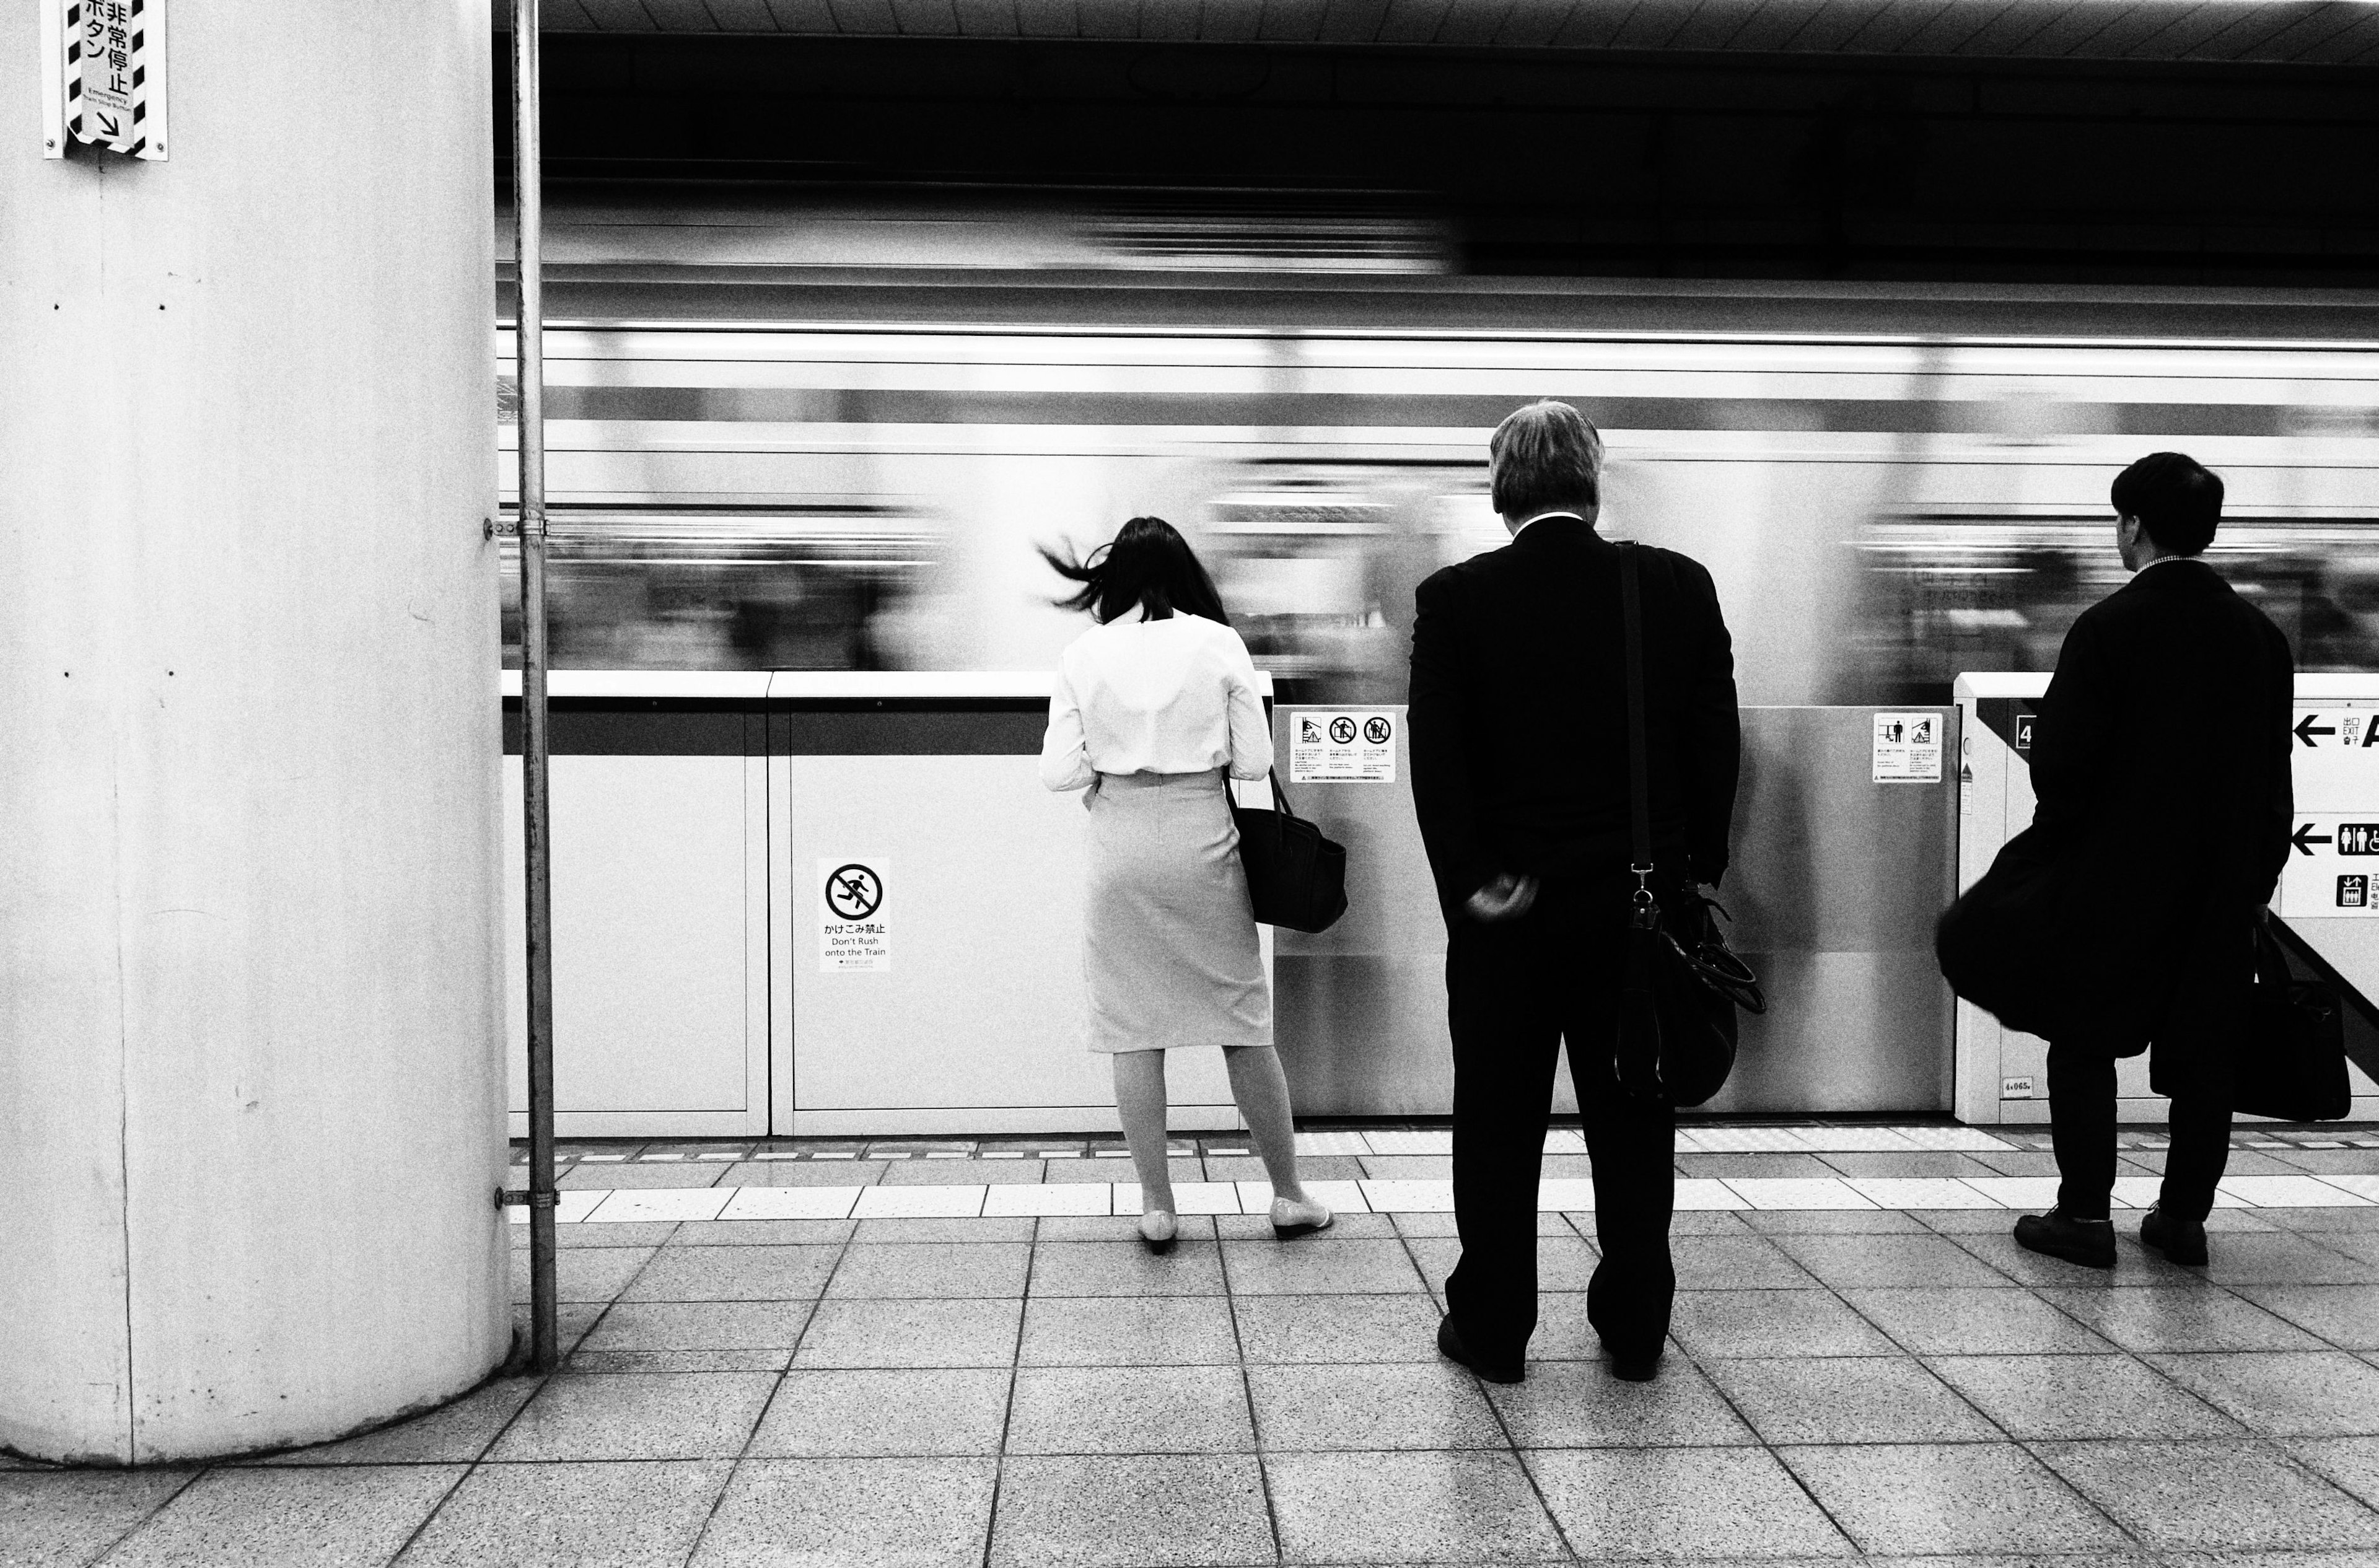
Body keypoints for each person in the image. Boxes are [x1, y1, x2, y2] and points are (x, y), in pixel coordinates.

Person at [1409, 401, 1740, 1383]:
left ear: (1502, 488)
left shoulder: (1454, 598)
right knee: (1635, 1118)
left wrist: (1471, 884)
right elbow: (1714, 741)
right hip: (1637, 910)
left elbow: (1440, 764)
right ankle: (1635, 1325)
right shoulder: (1675, 585)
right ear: (1591, 484)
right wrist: (1695, 870)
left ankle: (1496, 1324)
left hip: (1507, 913)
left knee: (1498, 1119)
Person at [2012, 453, 2294, 1271]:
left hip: (2114, 879)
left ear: (2132, 524)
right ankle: (2181, 1218)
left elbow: (2062, 762)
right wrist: (2251, 876)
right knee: (2206, 1055)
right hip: (2222, 885)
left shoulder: (2108, 628)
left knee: (2084, 1038)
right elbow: (2270, 769)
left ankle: (2085, 1216)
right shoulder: (2260, 635)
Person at [1039, 517, 1333, 1254]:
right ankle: (1289, 1195)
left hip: (1121, 845)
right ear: (1185, 574)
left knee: (1134, 1031)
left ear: (1114, 581)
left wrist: (1113, 766)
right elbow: (1253, 764)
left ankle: (1158, 1207)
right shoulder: (1217, 642)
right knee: (1242, 1022)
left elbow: (1058, 771)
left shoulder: (1083, 652)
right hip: (1204, 841)